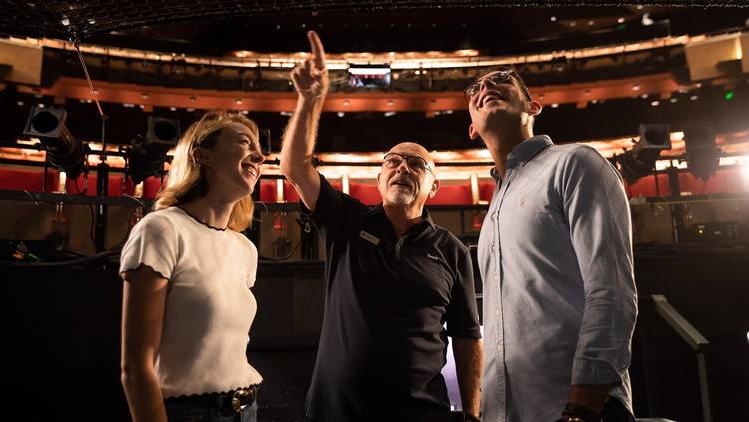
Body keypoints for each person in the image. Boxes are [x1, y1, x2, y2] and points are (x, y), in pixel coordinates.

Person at [279, 31, 483, 422]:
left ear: (434, 186)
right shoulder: (347, 219)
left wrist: (471, 414)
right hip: (336, 412)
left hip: (422, 414)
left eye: (416, 164)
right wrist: (309, 99)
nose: (402, 167)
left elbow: (467, 336)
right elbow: (295, 168)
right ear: (379, 178)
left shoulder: (451, 249)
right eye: (392, 161)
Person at [465, 67, 638, 422]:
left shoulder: (575, 163)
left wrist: (582, 406)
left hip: (577, 409)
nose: (486, 87)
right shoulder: (493, 210)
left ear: (534, 107)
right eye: (475, 88)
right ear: (472, 129)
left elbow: (612, 291)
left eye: (499, 79)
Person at [119, 111, 266, 422]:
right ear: (202, 156)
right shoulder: (160, 230)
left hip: (247, 408)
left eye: (259, 146)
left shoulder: (245, 249)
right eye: (244, 142)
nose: (260, 155)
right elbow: (135, 368)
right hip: (190, 413)